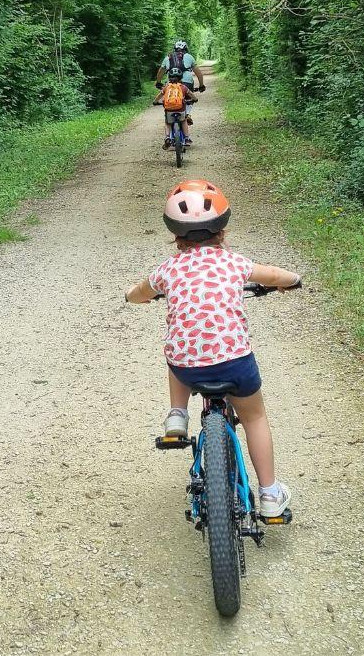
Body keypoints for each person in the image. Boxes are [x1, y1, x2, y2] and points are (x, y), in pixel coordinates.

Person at [123, 180, 302, 518]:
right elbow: (275, 275)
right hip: (235, 364)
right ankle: (269, 494)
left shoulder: (167, 270)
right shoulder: (235, 264)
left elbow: (140, 293)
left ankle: (177, 414)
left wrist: (131, 295)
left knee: (176, 349)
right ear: (223, 232)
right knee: (254, 416)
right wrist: (293, 279)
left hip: (188, 369)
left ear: (176, 236)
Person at [155, 40, 206, 148]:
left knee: (170, 99)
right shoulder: (189, 57)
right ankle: (186, 115)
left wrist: (158, 82)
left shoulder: (168, 57)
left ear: (174, 49)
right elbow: (198, 72)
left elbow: (161, 71)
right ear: (185, 49)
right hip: (187, 84)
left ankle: (169, 135)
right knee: (188, 101)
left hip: (171, 82)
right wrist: (201, 85)